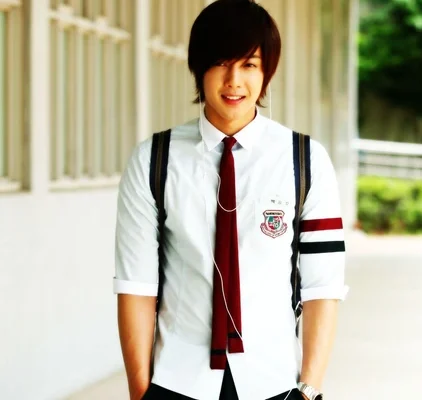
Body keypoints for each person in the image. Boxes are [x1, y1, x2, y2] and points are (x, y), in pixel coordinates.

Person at [113, 1, 347, 399]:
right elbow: (136, 284)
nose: (234, 81)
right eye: (221, 63)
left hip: (275, 382)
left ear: (267, 71)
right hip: (177, 381)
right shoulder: (154, 159)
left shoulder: (305, 160)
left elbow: (322, 285)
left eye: (249, 65)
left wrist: (309, 389)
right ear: (198, 68)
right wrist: (141, 392)